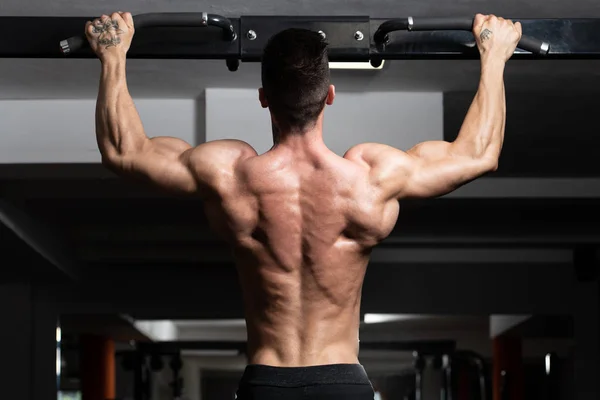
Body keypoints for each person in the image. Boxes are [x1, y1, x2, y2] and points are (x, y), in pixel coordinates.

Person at [85, 12, 521, 399]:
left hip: (267, 381)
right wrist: (494, 58)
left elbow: (124, 151)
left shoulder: (231, 176)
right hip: (343, 384)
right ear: (329, 94)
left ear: (263, 97)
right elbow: (479, 154)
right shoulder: (370, 179)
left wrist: (113, 57)